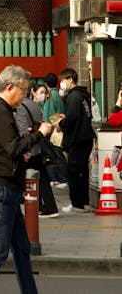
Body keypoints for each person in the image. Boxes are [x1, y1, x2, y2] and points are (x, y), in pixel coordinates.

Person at [0, 64, 55, 294]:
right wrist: (39, 134)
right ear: (10, 87)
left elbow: (10, 147)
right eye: (24, 89)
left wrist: (25, 142)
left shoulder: (0, 110)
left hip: (6, 187)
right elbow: (12, 148)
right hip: (0, 188)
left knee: (21, 248)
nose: (26, 95)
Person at [55, 67, 96, 214]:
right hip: (86, 137)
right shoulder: (84, 95)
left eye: (63, 80)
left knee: (73, 172)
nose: (61, 84)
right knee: (82, 172)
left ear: (70, 79)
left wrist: (60, 124)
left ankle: (76, 204)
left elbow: (71, 118)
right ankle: (84, 202)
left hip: (77, 138)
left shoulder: (73, 97)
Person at [14, 86, 57, 218]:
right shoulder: (34, 105)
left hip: (29, 148)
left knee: (29, 178)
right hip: (38, 146)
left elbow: (23, 131)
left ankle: (40, 206)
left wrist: (25, 150)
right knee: (42, 177)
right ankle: (49, 206)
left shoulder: (21, 107)